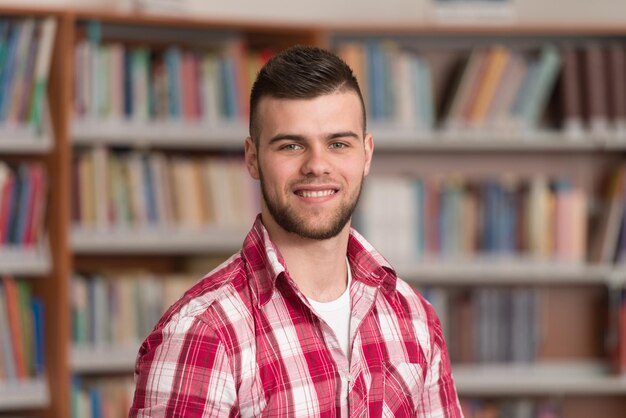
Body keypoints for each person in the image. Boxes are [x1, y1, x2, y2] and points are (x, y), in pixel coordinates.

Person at [129, 45, 462, 417]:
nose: (317, 165)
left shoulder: (413, 316)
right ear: (253, 158)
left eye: (338, 143)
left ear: (366, 154)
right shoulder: (203, 333)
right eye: (291, 145)